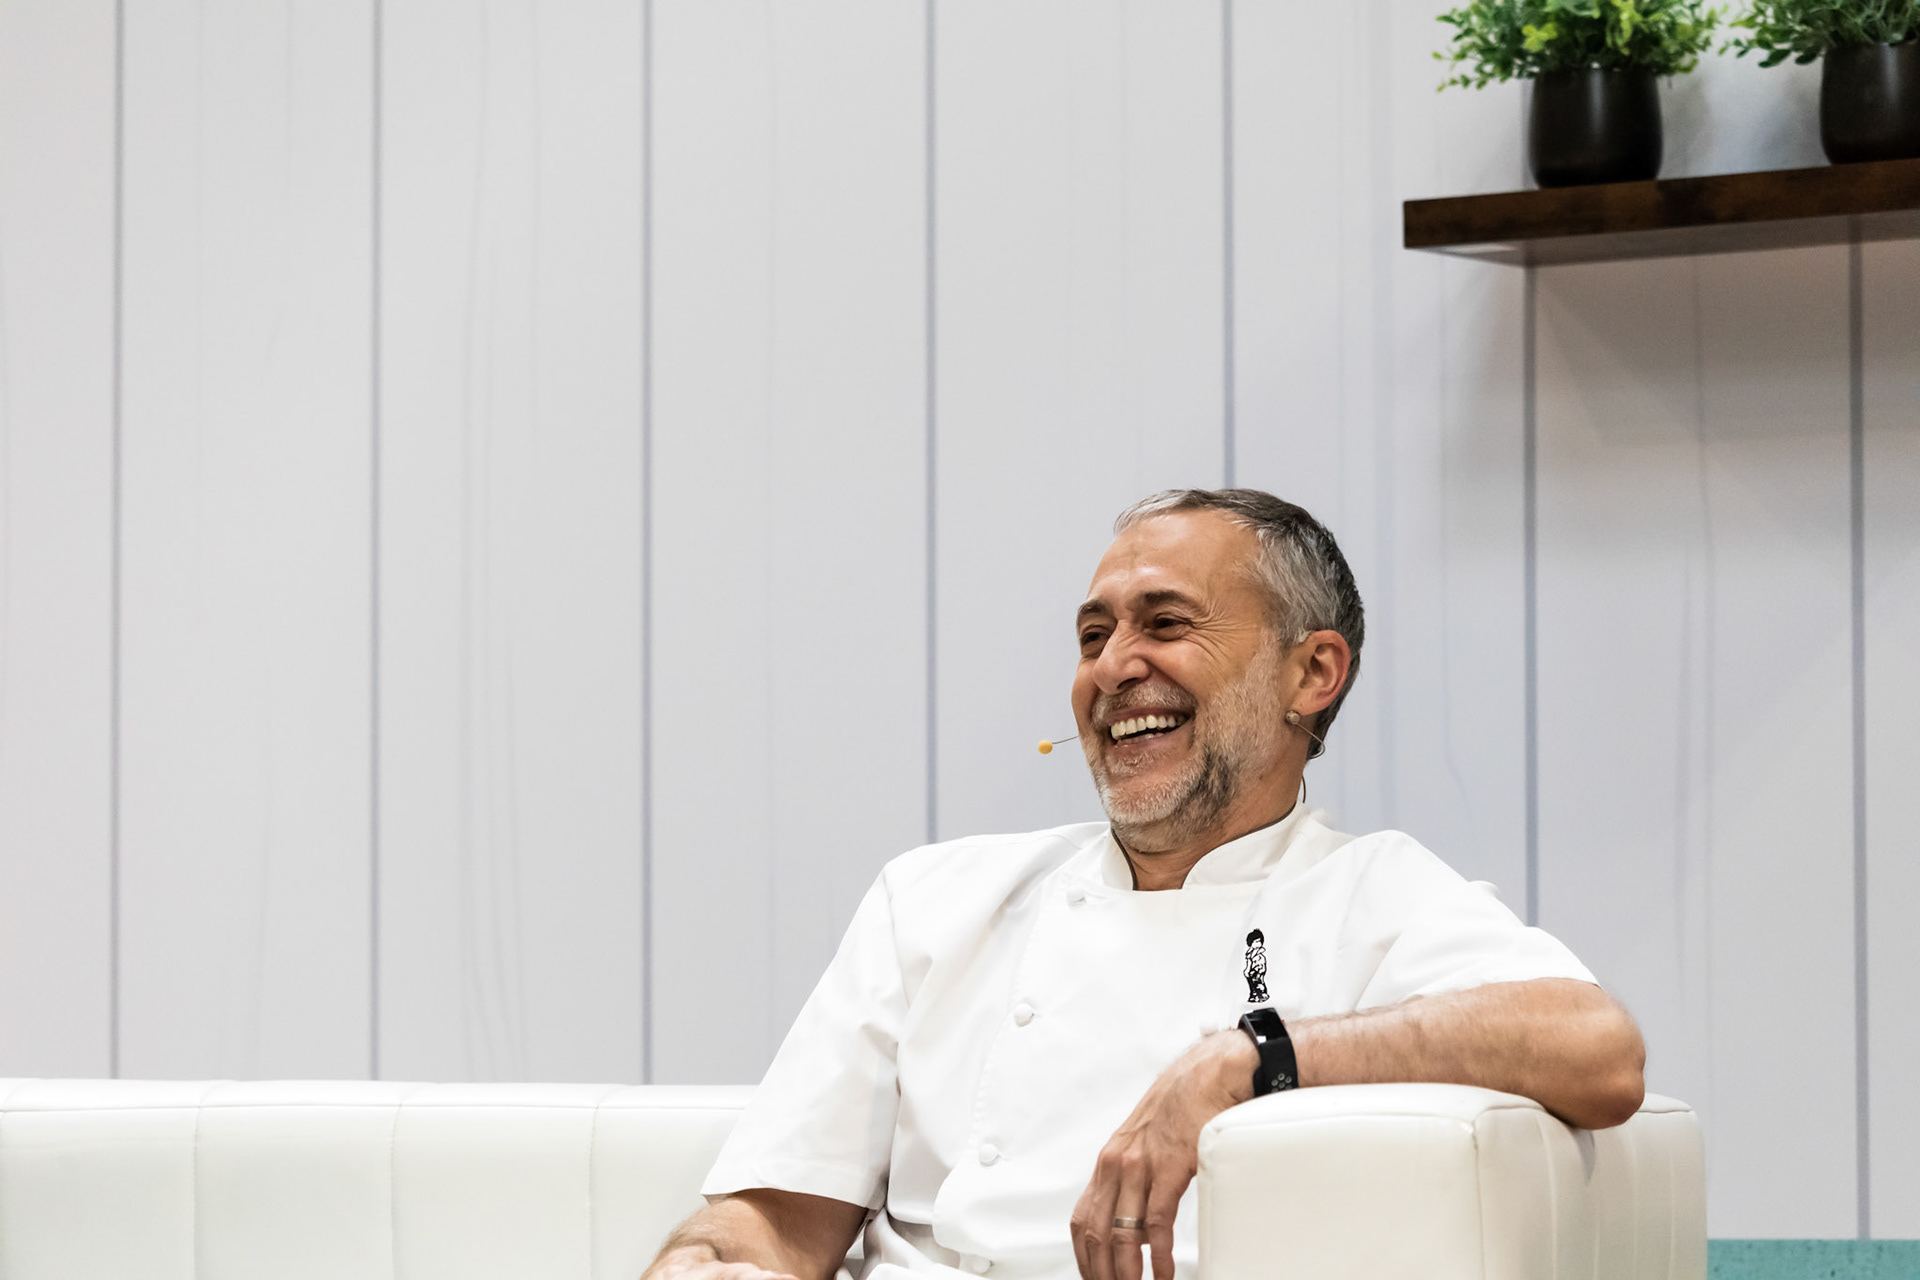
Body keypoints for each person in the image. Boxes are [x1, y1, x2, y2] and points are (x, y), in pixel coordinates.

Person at [643, 489, 1644, 1280]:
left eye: (1165, 623)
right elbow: (772, 1219)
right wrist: (707, 1260)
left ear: (1313, 672)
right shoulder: (936, 899)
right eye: (1091, 636)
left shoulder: (1370, 890)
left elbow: (1598, 1049)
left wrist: (1247, 1060)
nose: (1114, 667)